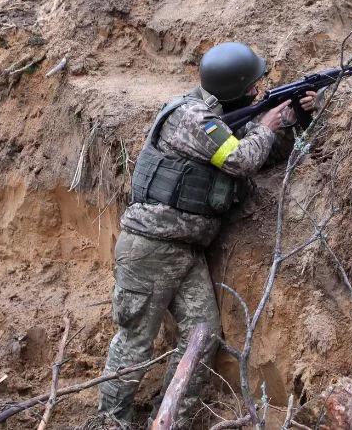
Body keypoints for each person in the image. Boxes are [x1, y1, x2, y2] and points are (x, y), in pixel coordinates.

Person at [97, 42, 316, 427]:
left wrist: (295, 118)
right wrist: (266, 124)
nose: (256, 92)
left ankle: (169, 420)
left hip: (187, 253)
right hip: (150, 248)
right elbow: (241, 159)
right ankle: (109, 421)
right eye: (252, 87)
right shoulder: (193, 117)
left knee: (202, 339)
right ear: (234, 89)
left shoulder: (222, 116)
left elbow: (265, 153)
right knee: (134, 342)